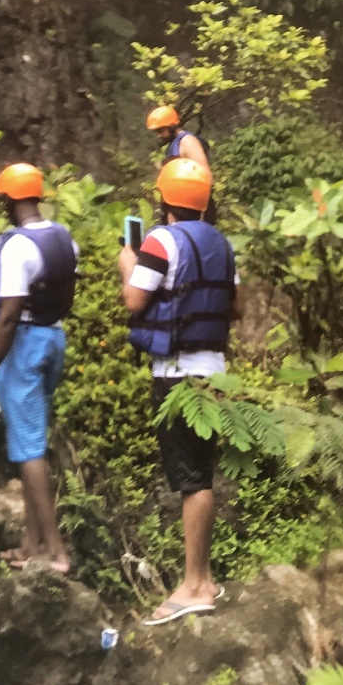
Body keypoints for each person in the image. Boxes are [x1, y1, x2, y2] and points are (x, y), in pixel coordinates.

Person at [119, 158, 237, 623]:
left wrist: (129, 262)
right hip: (214, 371)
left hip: (176, 375)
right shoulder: (223, 244)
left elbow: (135, 298)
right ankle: (204, 579)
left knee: (190, 480)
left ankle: (194, 587)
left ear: (163, 199)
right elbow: (237, 306)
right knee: (202, 476)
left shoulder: (159, 241)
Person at [0, 164, 79, 574]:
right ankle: (29, 544)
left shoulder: (15, 246)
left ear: (8, 199)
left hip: (25, 346)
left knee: (28, 449)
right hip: (54, 339)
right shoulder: (63, 235)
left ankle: (55, 553)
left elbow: (9, 317)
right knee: (33, 436)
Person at [145, 104, 212, 175]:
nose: (159, 135)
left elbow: (204, 173)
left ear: (171, 126)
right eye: (157, 131)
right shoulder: (175, 143)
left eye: (160, 130)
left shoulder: (187, 141)